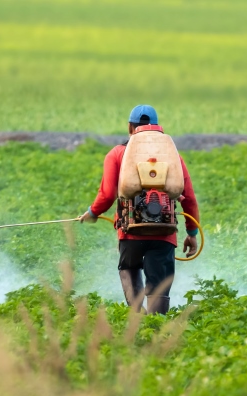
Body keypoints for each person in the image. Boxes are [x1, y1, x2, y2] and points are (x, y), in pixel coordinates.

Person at [79, 104, 200, 314]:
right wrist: (191, 233)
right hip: (164, 232)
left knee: (129, 268)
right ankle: (157, 327)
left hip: (130, 232)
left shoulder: (117, 154)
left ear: (130, 127)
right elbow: (188, 197)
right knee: (159, 283)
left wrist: (92, 213)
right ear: (157, 129)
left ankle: (137, 317)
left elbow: (107, 195)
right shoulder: (172, 157)